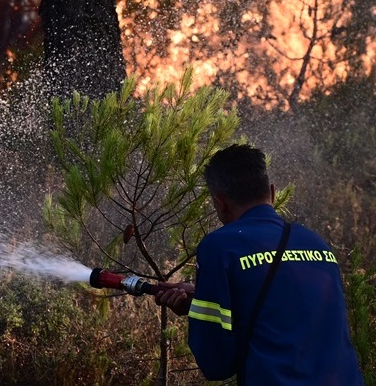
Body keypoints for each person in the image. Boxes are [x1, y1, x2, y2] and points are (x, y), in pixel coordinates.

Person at [155, 144, 364, 385]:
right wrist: (206, 297)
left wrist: (200, 312)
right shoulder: (317, 245)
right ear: (272, 192)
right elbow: (288, 312)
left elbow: (216, 364)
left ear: (220, 203)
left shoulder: (220, 247)